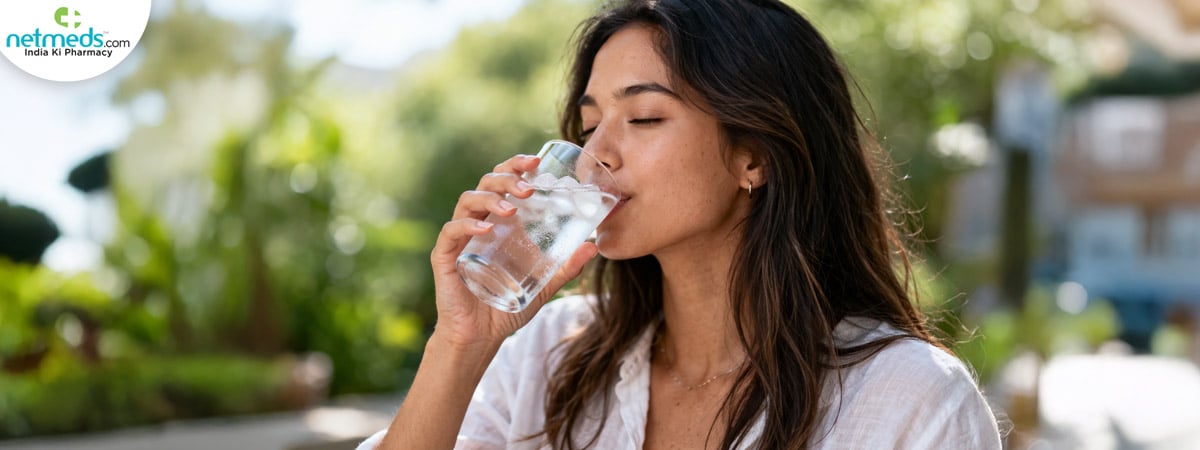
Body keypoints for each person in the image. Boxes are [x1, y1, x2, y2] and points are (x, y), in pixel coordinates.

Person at [360, 0, 1003, 448]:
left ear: (754, 156)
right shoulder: (549, 352)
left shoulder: (908, 398)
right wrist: (461, 344)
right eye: (589, 126)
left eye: (643, 118)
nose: (595, 156)